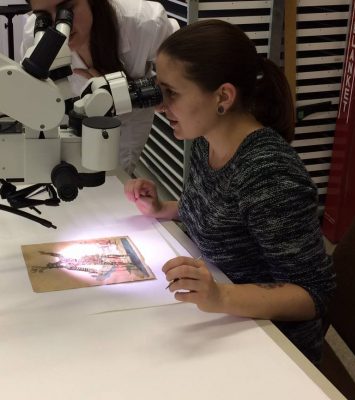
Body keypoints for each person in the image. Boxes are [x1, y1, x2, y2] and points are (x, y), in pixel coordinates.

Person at [124, 19, 336, 366]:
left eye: (171, 93)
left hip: (274, 345)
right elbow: (227, 214)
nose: (161, 107)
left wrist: (221, 296)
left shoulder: (268, 172)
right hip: (222, 318)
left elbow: (314, 294)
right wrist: (163, 207)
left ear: (223, 96)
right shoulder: (209, 140)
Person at [21, 0, 179, 175]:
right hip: (64, 124)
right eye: (43, 16)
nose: (58, 26)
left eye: (67, 10)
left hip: (126, 124)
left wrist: (126, 89)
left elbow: (185, 76)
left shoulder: (145, 22)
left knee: (113, 181)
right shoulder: (33, 37)